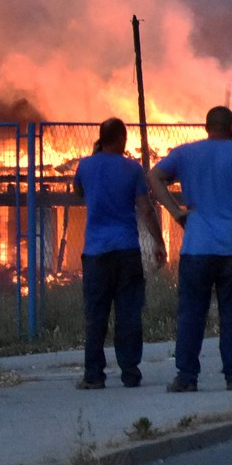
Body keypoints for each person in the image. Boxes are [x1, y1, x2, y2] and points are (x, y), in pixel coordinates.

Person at [147, 106, 232, 392]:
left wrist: (176, 211)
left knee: (191, 314)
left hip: (196, 248)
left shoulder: (185, 154)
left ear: (206, 127)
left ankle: (187, 376)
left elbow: (154, 176)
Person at [73, 119, 166, 388]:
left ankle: (93, 375)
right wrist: (159, 242)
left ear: (101, 138)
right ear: (123, 139)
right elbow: (145, 209)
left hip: (96, 253)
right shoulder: (132, 169)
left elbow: (78, 192)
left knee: (96, 314)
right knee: (129, 313)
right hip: (126, 251)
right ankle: (130, 371)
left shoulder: (85, 166)